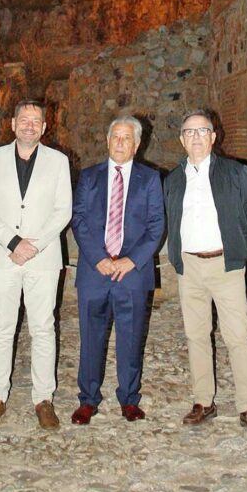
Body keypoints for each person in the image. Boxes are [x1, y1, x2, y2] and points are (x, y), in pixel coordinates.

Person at [164, 108, 247, 431]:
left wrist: (237, 243)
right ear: (182, 140)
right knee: (196, 335)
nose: (196, 137)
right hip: (189, 267)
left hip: (226, 266)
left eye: (202, 131)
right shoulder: (172, 180)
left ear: (213, 137)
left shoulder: (236, 173)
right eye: (189, 132)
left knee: (238, 335)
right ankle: (203, 401)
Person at [0, 100, 72, 430]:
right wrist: (13, 243)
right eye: (24, 120)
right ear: (13, 124)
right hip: (3, 255)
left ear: (44, 127)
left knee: (43, 328)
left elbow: (63, 210)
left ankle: (43, 399)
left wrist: (35, 244)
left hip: (43, 258)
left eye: (36, 121)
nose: (30, 125)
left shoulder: (58, 162)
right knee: (1, 327)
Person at [71, 115, 165, 424]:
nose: (120, 143)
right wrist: (98, 257)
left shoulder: (150, 179)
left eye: (127, 138)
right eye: (116, 137)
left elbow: (156, 225)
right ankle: (88, 399)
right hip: (94, 270)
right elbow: (79, 219)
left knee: (131, 336)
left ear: (137, 145)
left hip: (132, 273)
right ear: (107, 141)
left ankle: (129, 398)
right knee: (90, 337)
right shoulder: (89, 177)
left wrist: (132, 260)